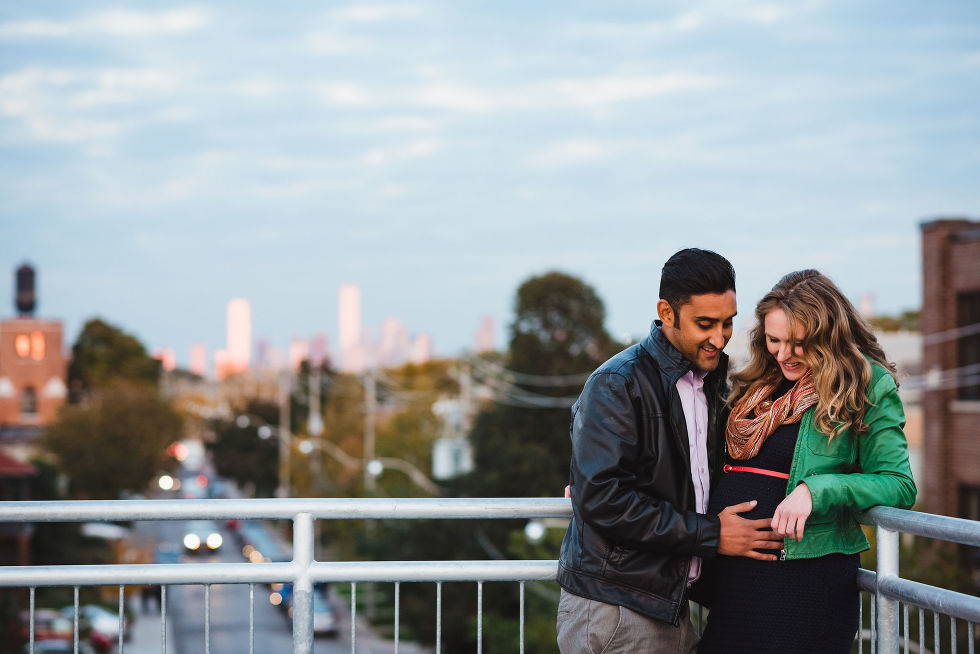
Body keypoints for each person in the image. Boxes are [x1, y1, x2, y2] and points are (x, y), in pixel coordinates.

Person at [556, 248, 783, 654]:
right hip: (619, 611)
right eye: (705, 324)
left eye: (728, 323)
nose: (719, 337)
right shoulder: (617, 383)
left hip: (673, 606)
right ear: (666, 312)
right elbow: (604, 500)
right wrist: (713, 535)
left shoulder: (712, 383)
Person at [696, 269, 917, 654]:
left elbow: (899, 484)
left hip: (804, 584)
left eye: (798, 343)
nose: (783, 354)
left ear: (827, 334)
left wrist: (816, 490)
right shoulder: (755, 383)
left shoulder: (867, 384)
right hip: (734, 583)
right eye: (773, 339)